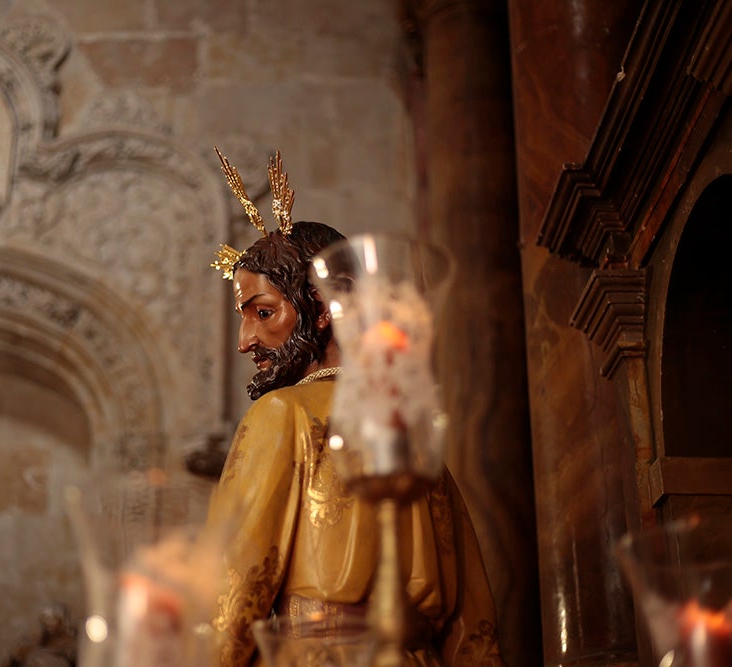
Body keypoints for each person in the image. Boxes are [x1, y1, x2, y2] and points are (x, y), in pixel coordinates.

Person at [203, 148, 506, 667]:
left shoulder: (282, 414)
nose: (244, 341)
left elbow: (231, 593)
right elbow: (475, 637)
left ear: (321, 307)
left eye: (264, 313)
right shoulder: (409, 439)